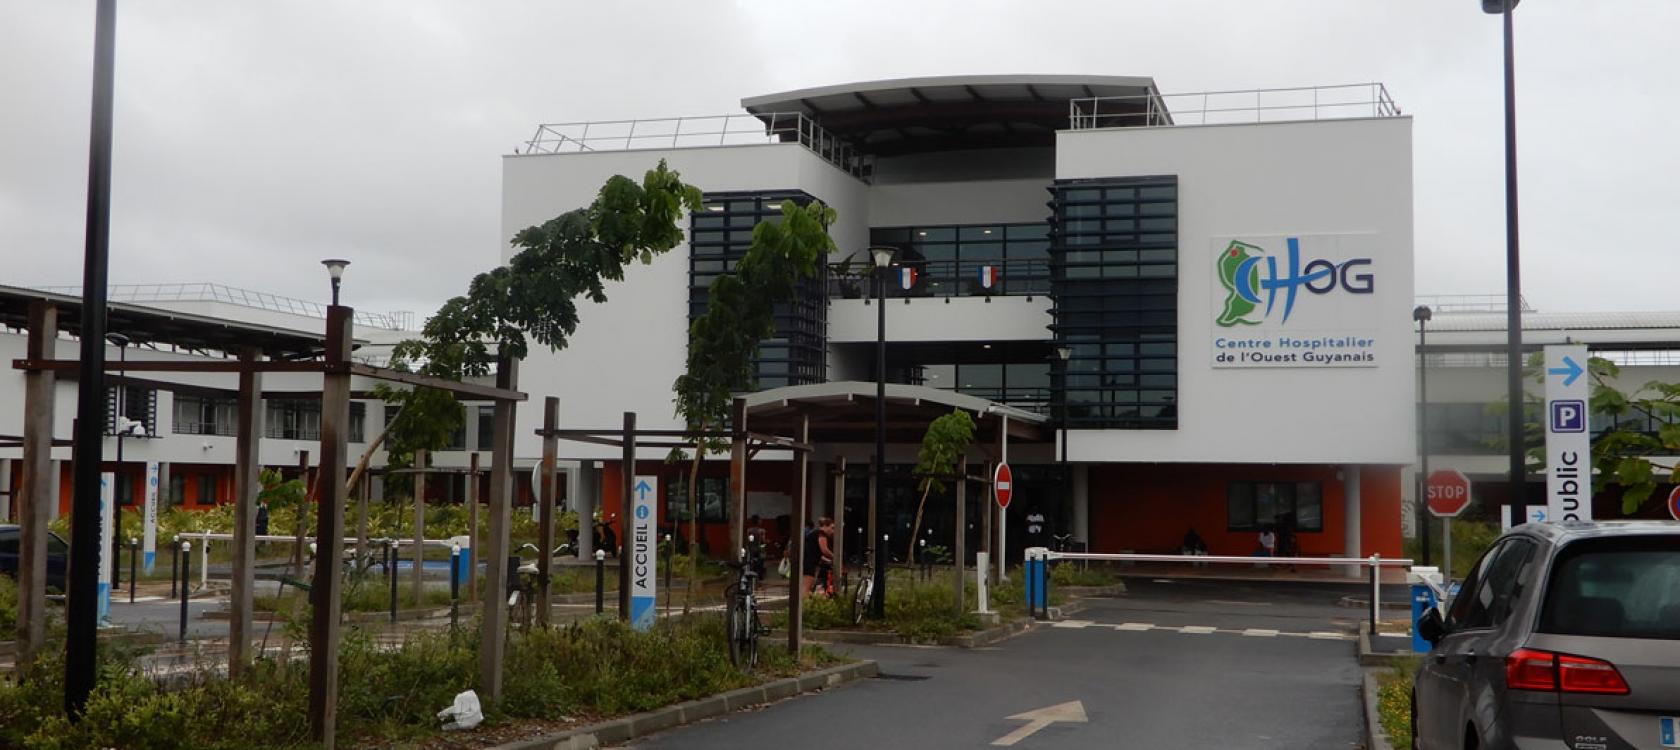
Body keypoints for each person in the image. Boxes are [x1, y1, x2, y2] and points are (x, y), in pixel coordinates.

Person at [800, 516, 835, 597]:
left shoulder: (814, 533)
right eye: (832, 528)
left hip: (805, 561)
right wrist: (835, 557)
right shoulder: (821, 534)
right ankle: (803, 606)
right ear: (825, 526)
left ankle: (805, 603)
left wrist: (827, 560)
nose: (832, 531)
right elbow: (824, 550)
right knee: (806, 586)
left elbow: (817, 552)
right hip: (808, 562)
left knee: (807, 585)